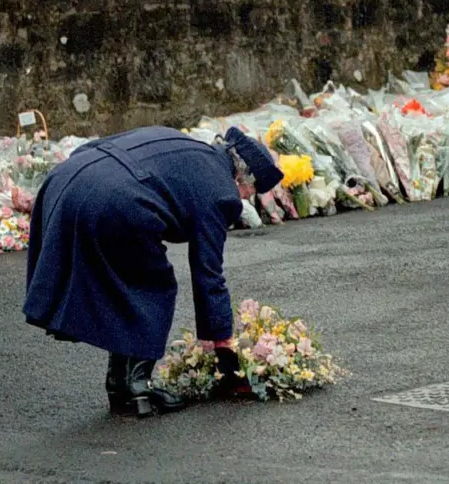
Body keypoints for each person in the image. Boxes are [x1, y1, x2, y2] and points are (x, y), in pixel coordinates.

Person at [23, 125, 283, 417]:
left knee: (128, 280)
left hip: (65, 181)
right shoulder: (221, 190)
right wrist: (220, 337)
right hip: (113, 198)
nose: (247, 199)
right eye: (251, 191)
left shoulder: (181, 142)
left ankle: (119, 384)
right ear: (241, 176)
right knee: (152, 284)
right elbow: (207, 271)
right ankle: (137, 388)